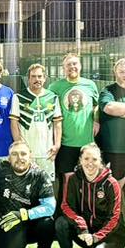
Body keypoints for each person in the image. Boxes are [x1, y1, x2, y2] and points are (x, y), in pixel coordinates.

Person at [53, 144, 125, 248]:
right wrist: (82, 227)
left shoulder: (111, 183)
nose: (90, 163)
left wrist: (97, 237)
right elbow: (66, 206)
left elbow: (115, 217)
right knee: (61, 223)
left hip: (110, 235)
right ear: (80, 160)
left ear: (100, 161)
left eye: (94, 159)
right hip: (85, 232)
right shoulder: (73, 179)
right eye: (86, 159)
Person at [0, 140, 56, 248]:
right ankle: (18, 247)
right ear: (8, 157)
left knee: (48, 222)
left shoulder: (40, 175)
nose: (19, 158)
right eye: (14, 154)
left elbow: (50, 207)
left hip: (33, 224)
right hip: (10, 224)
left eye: (23, 154)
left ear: (30, 156)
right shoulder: (1, 167)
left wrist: (24, 214)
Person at [48, 53, 100, 181]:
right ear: (63, 68)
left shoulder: (90, 85)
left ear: (80, 66)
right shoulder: (55, 87)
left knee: (88, 179)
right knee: (68, 181)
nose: (72, 67)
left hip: (87, 143)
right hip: (66, 143)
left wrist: (96, 120)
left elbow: (96, 105)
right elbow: (49, 110)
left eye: (75, 63)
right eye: (68, 65)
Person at [10, 63, 62, 178]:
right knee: (25, 184)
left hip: (47, 153)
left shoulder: (53, 97)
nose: (37, 79)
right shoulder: (18, 97)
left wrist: (57, 145)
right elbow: (14, 124)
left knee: (46, 184)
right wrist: (20, 147)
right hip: (27, 153)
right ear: (28, 79)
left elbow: (57, 123)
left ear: (44, 78)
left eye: (39, 76)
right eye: (33, 76)